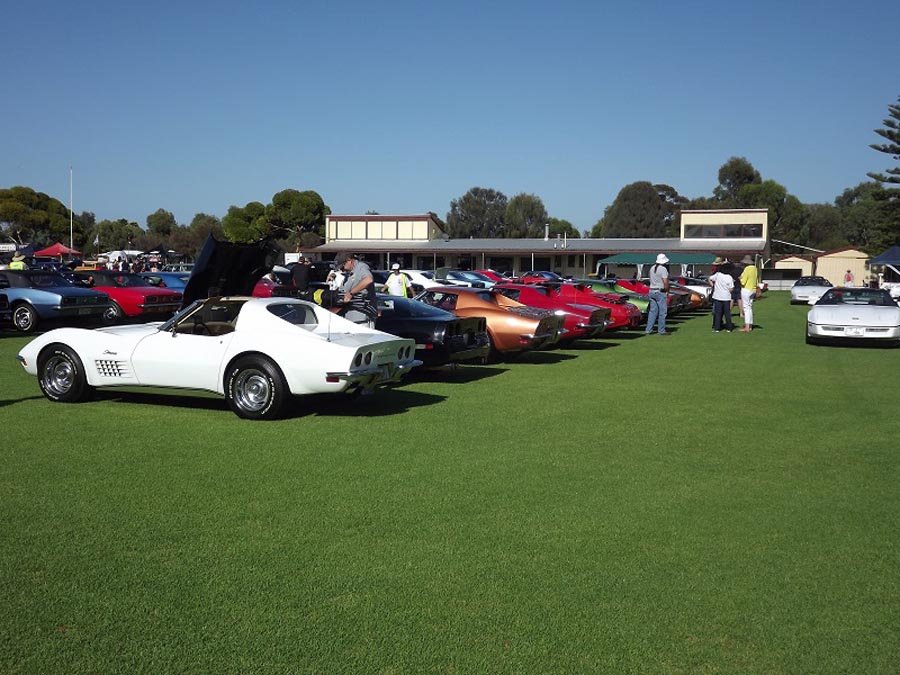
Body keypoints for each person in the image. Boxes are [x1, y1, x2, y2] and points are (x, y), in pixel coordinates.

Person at [334, 252, 377, 328]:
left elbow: (368, 280)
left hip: (362, 319)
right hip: (349, 319)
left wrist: (351, 293)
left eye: (343, 266)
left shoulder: (361, 267)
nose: (342, 269)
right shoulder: (347, 276)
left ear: (349, 261)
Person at [644, 253, 671, 335]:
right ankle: (661, 330)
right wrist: (667, 290)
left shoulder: (652, 268)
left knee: (653, 311)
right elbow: (665, 281)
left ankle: (648, 329)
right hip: (660, 291)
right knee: (662, 312)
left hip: (652, 290)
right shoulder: (663, 269)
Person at [709, 266, 735, 332]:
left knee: (718, 313)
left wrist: (713, 285)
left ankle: (717, 328)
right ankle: (729, 328)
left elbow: (710, 278)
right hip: (726, 297)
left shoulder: (718, 275)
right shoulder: (729, 277)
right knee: (727, 313)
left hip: (717, 296)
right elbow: (731, 288)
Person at [738, 255, 759, 331]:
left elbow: (743, 282)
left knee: (746, 308)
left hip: (746, 289)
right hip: (753, 289)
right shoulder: (755, 268)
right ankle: (750, 325)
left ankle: (747, 327)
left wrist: (740, 278)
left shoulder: (746, 269)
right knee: (749, 308)